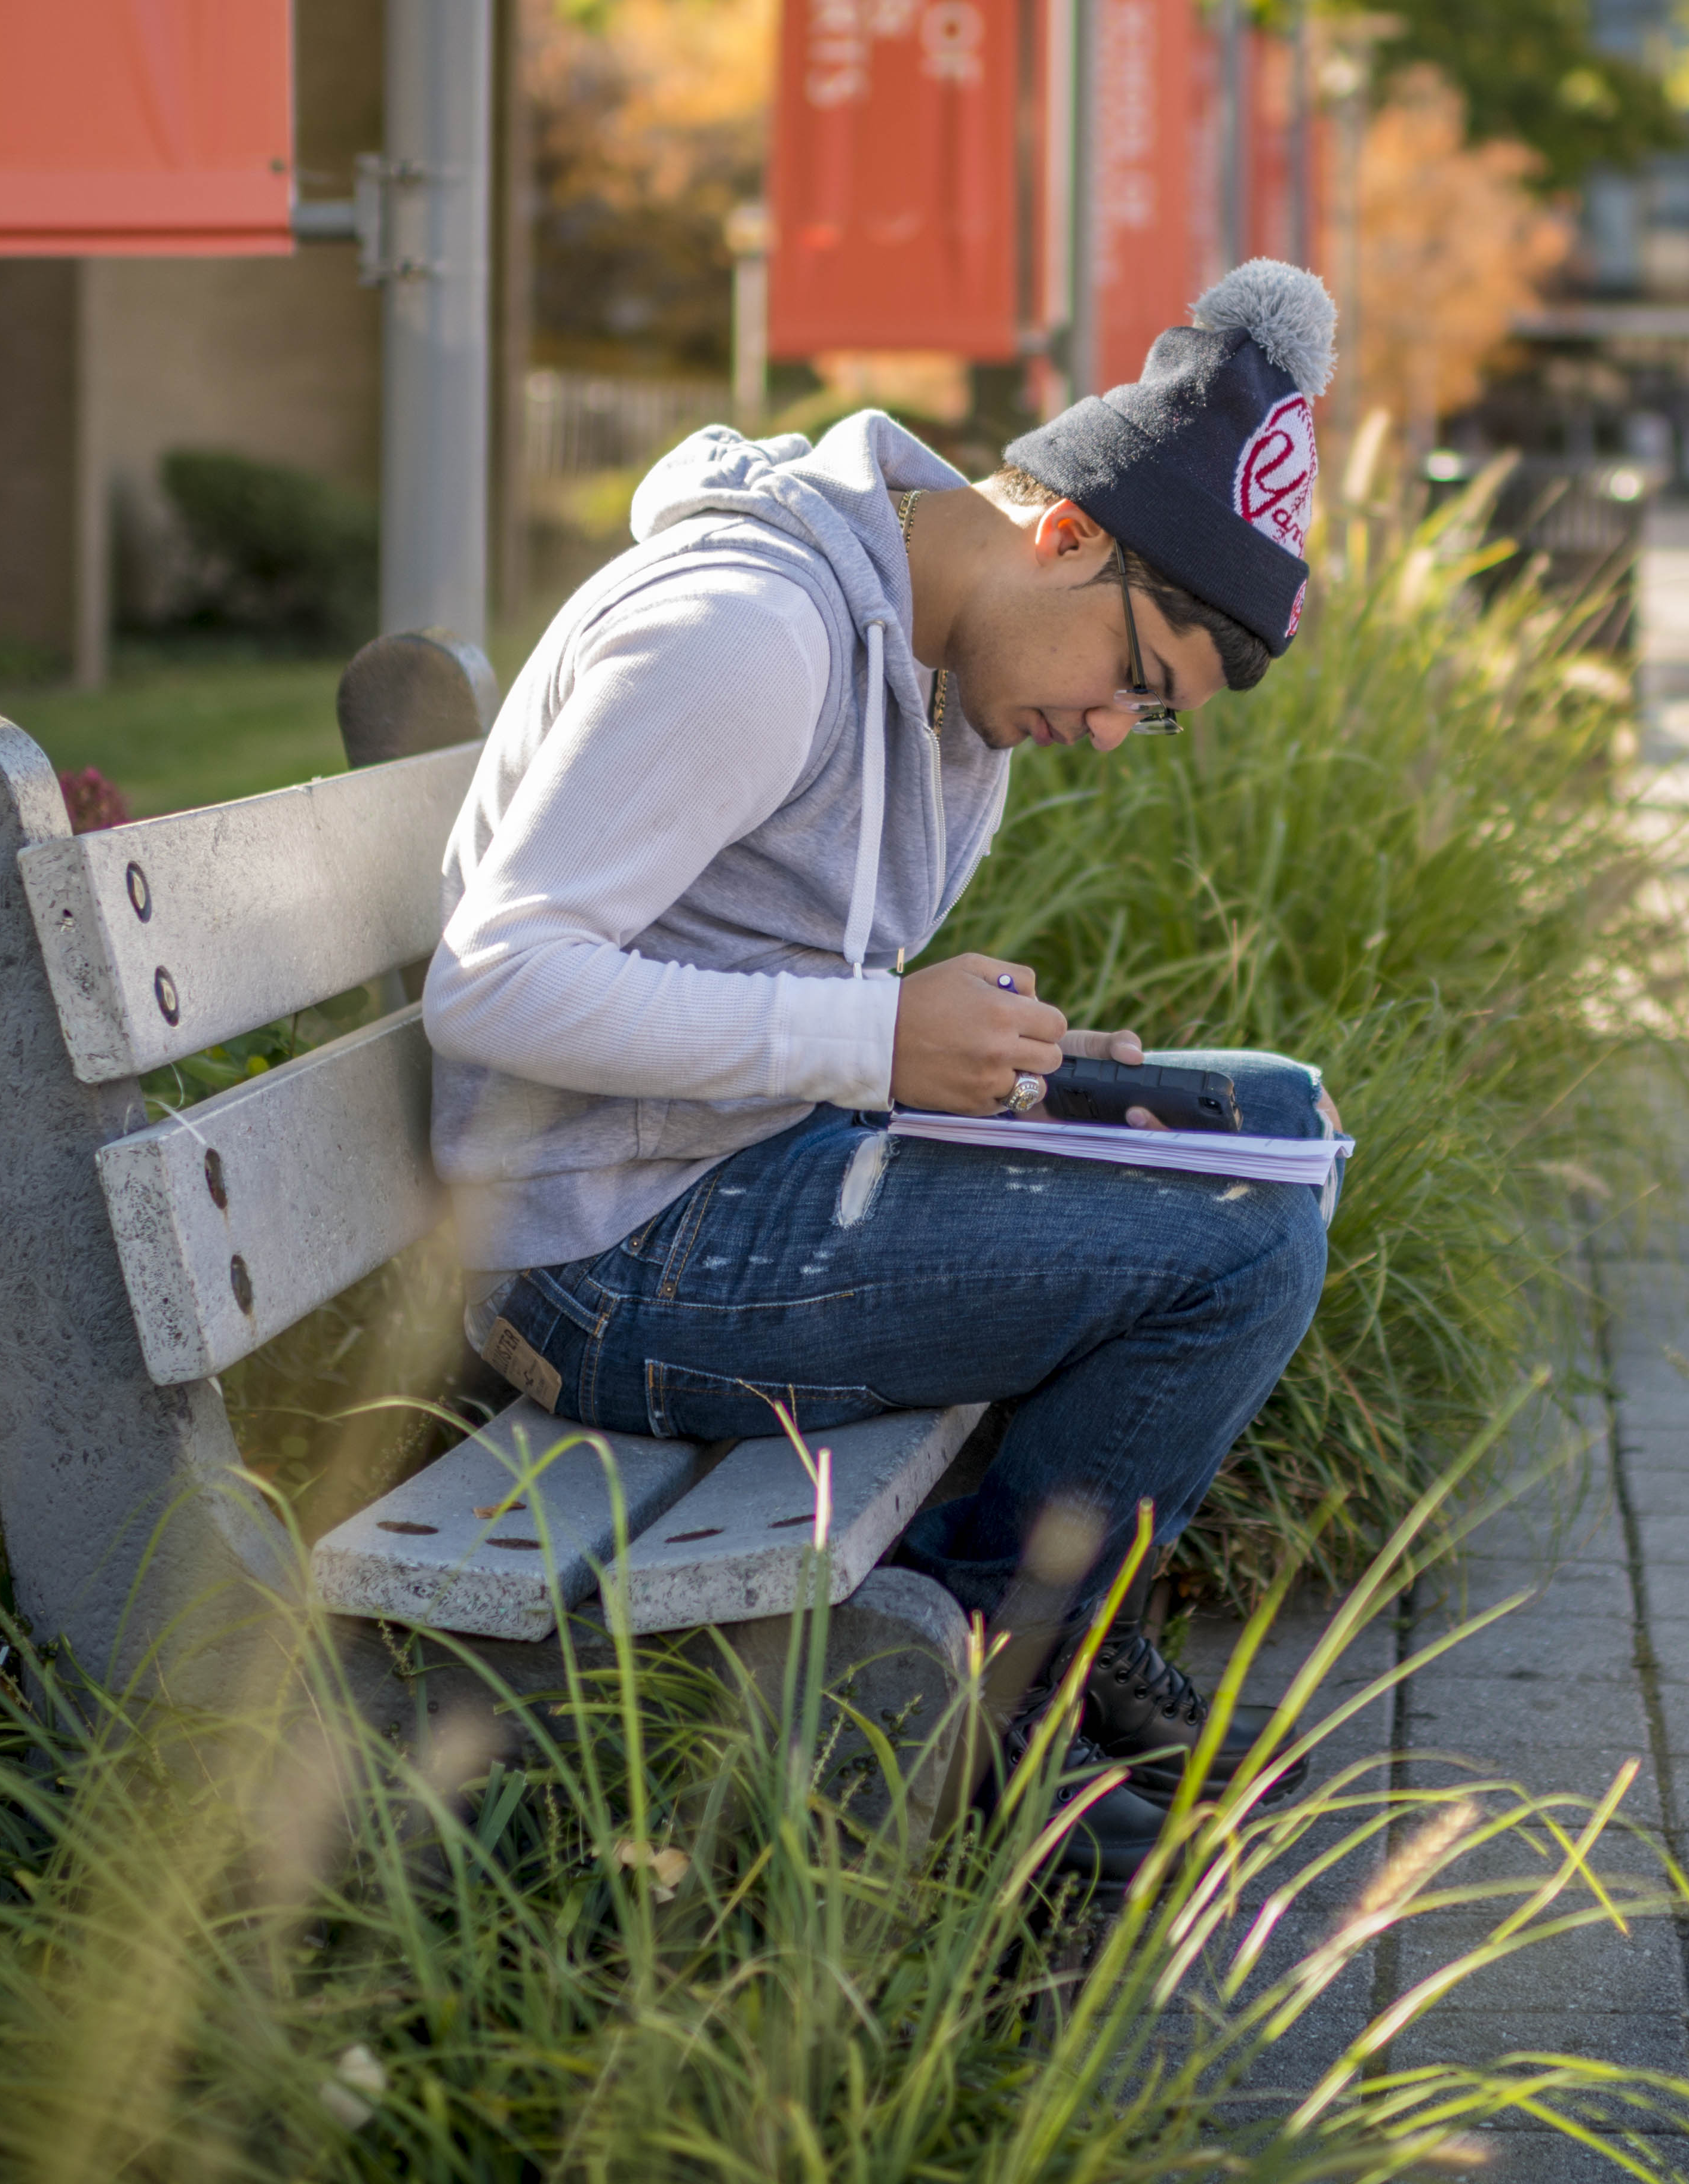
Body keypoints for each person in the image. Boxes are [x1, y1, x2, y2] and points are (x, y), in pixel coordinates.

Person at [420, 262, 1344, 1855]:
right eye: (1139, 680)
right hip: (597, 1259)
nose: (1118, 735)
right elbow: (494, 984)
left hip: (735, 1173)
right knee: (1236, 1244)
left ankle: (1036, 1663)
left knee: (1266, 1123)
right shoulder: (745, 633)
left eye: (1158, 717)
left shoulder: (943, 686)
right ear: (1068, 535)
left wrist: (991, 1060)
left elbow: (767, 976)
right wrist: (876, 1036)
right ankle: (998, 1712)